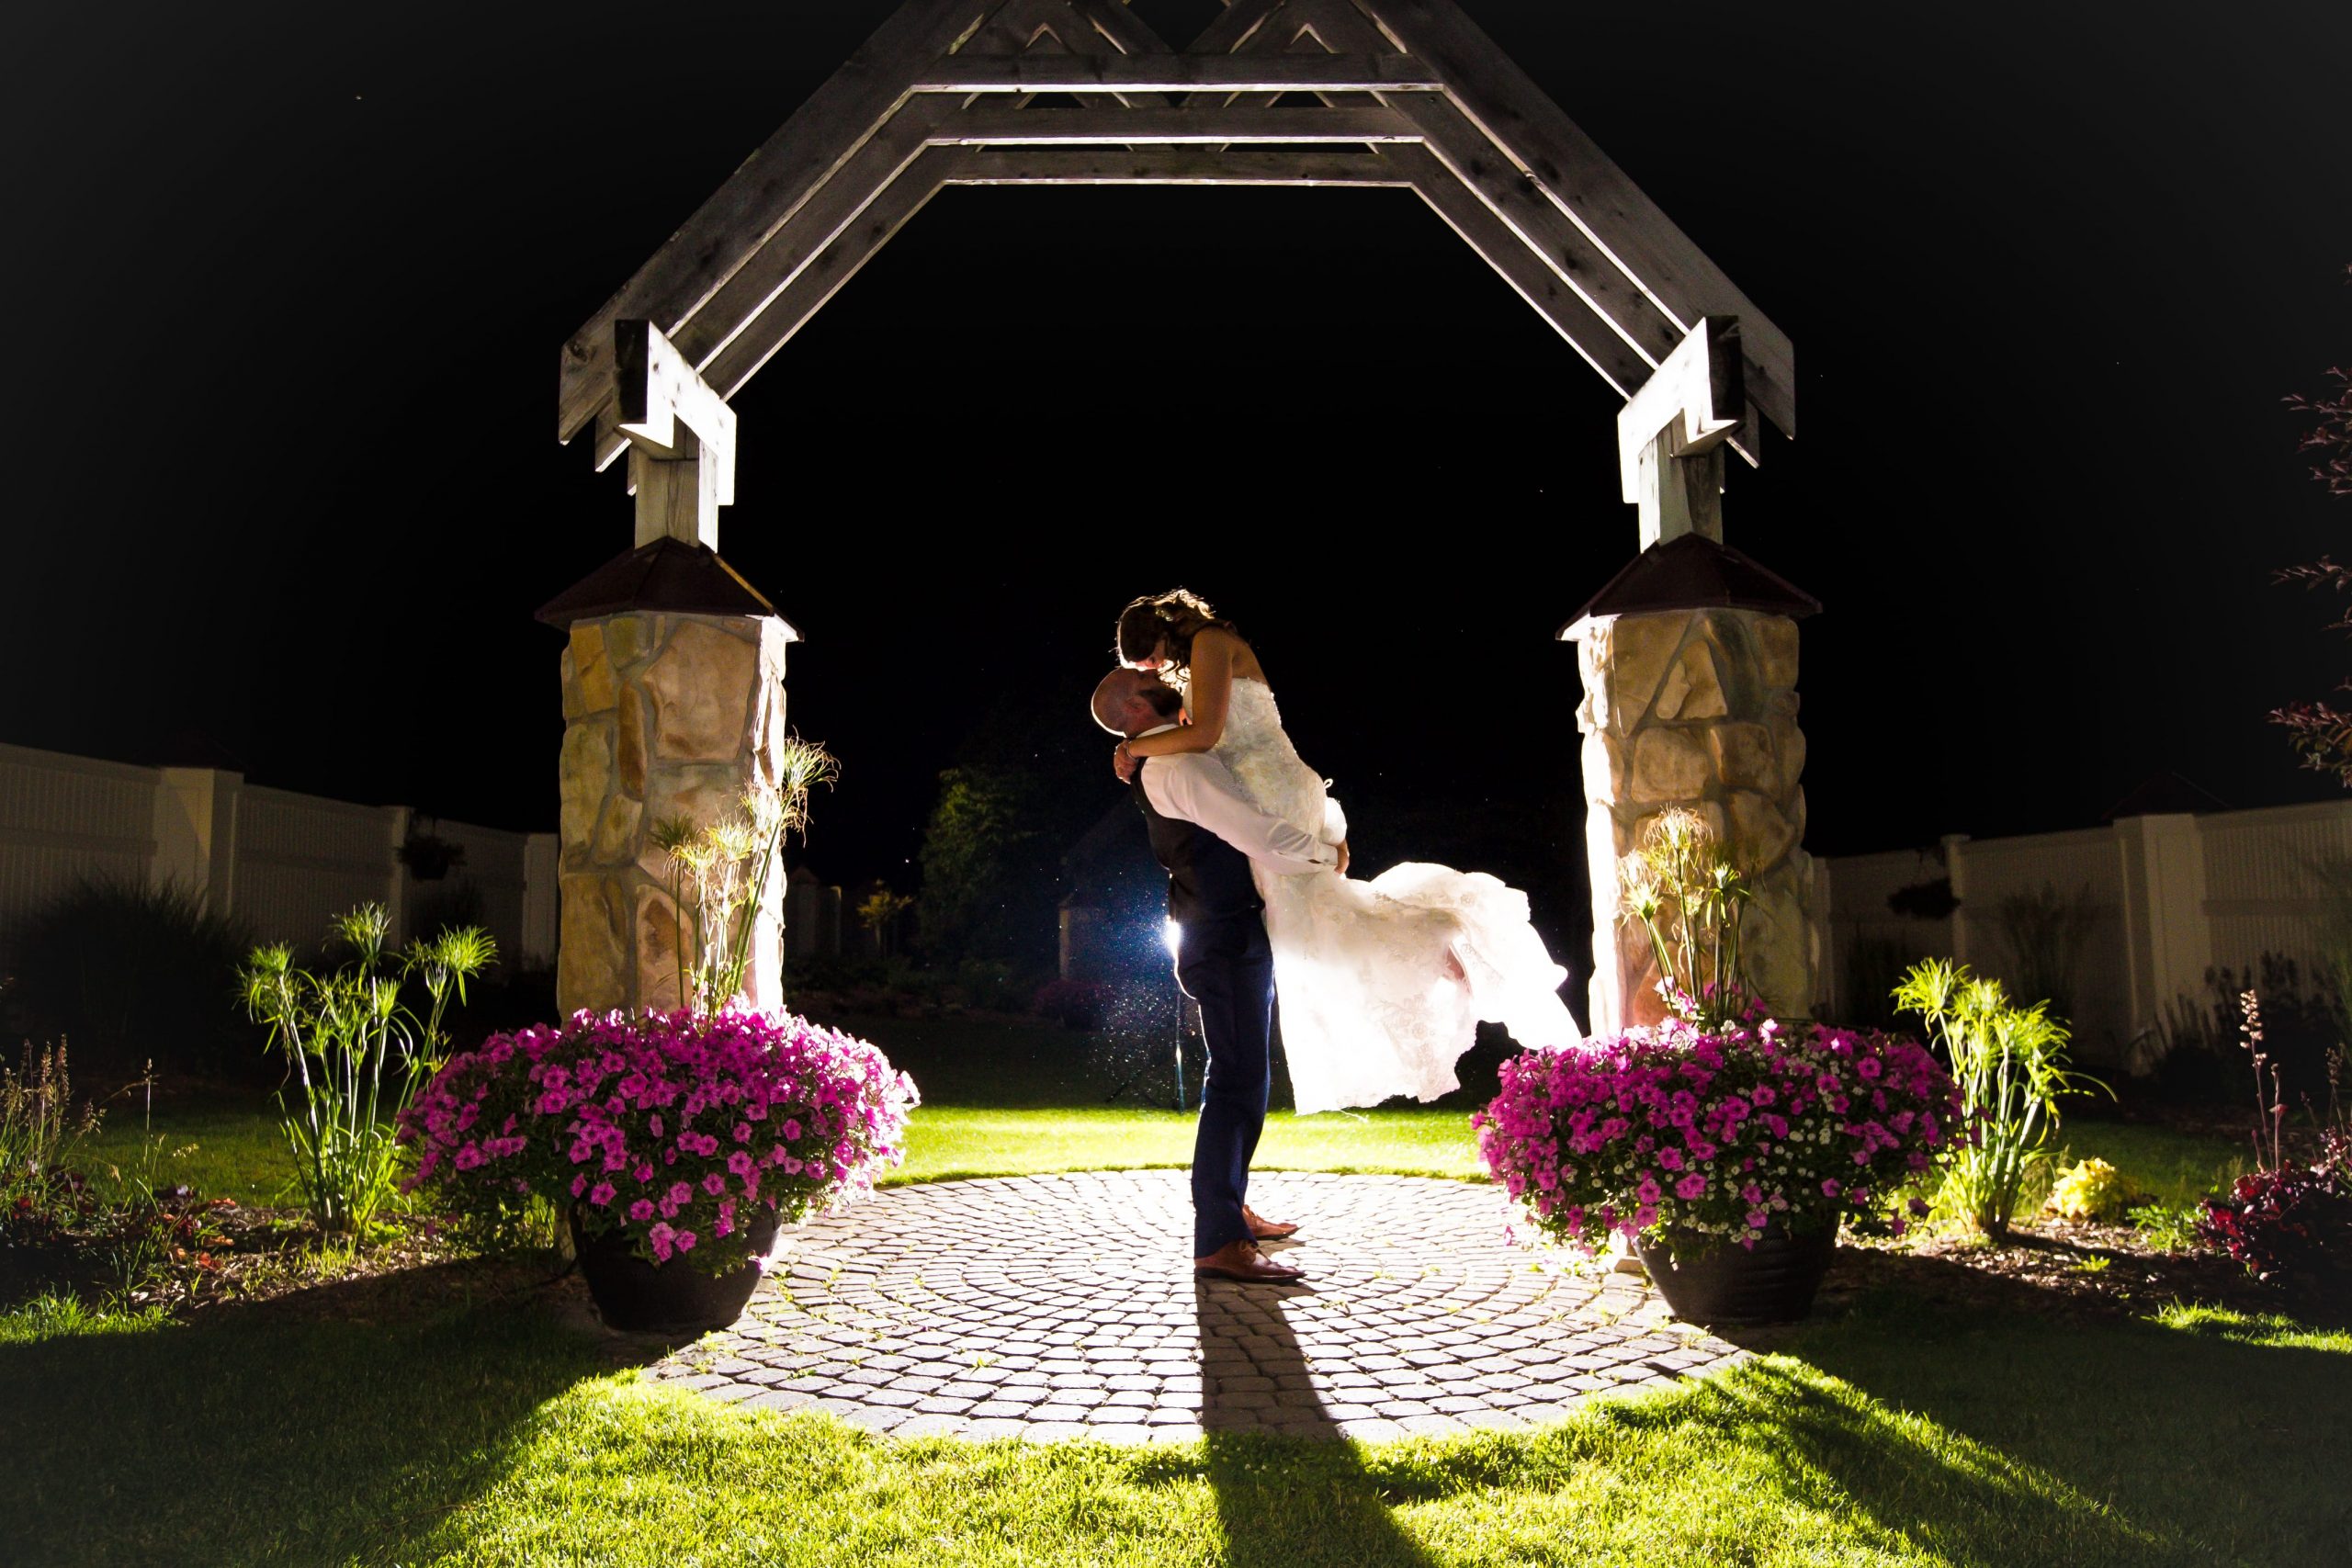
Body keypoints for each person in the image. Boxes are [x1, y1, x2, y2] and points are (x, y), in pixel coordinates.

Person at [1111, 590, 1580, 1113]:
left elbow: (1205, 734)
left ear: (1155, 633)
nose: (1153, 670)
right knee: (1319, 927)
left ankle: (1442, 941)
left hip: (1273, 791)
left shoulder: (1211, 642)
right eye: (1144, 669)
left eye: (1147, 660)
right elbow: (1197, 738)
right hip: (1270, 790)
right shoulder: (1199, 655)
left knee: (1320, 924)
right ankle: (1438, 950)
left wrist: (1133, 748)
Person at [1092, 668, 1338, 1284]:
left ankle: (1231, 1211)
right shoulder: (1178, 767)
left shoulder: (1169, 759)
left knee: (1242, 1080)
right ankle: (1218, 1239)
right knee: (1234, 1083)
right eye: (1141, 678)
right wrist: (1324, 855)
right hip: (1221, 937)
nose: (1161, 676)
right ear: (1131, 706)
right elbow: (1252, 831)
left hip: (1222, 934)